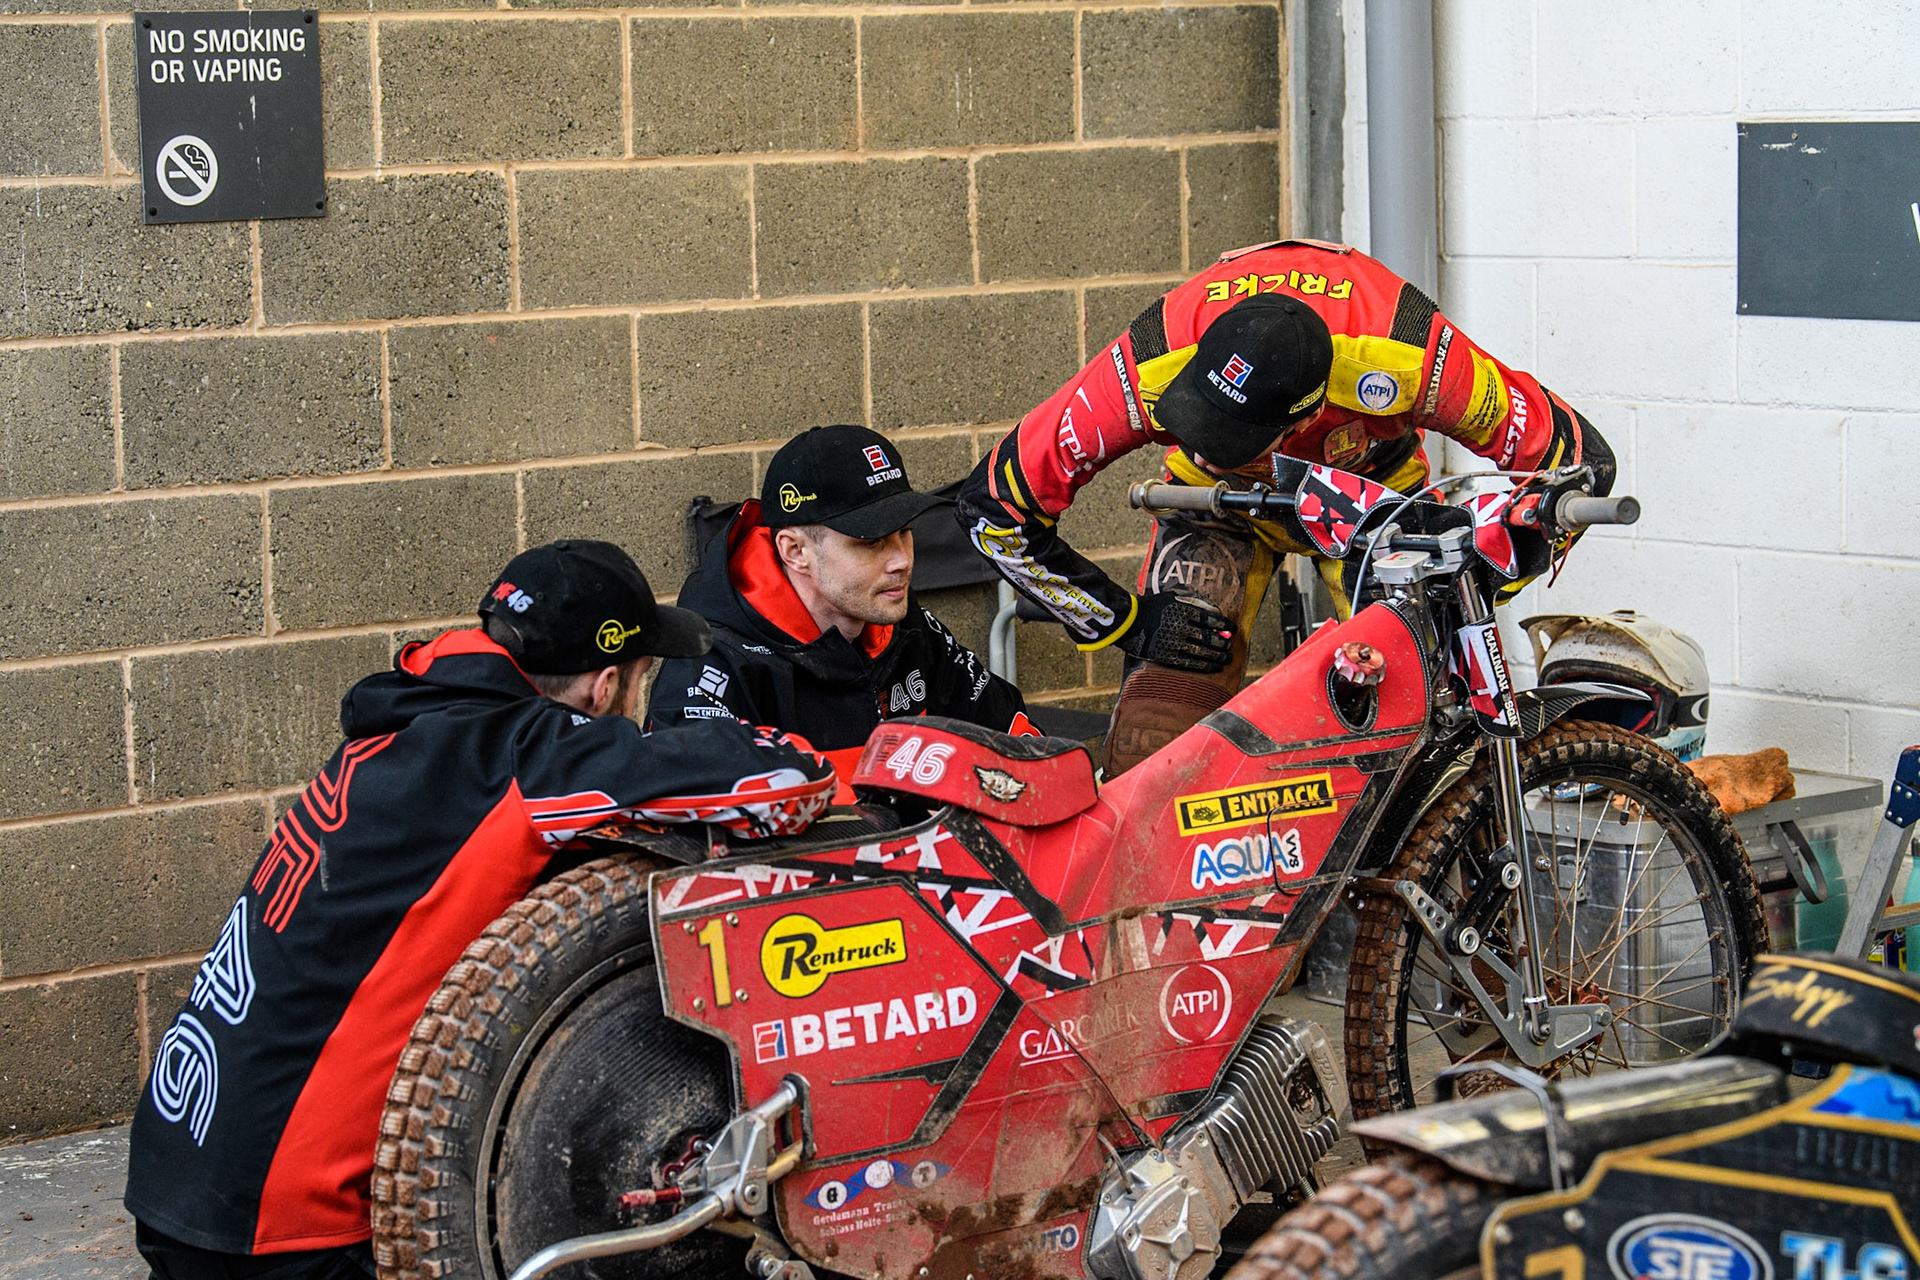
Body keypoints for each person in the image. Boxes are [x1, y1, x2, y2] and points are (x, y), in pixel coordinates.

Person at [124, 540, 835, 1280]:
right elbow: (786, 777)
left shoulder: (404, 724)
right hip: (285, 1234)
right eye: (639, 684)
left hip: (176, 1181)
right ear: (603, 687)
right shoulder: (521, 757)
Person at [956, 238, 1615, 776]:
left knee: (1423, 743)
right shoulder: (1152, 360)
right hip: (1213, 502)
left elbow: (1582, 462)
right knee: (1156, 734)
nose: (1214, 437)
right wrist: (1121, 619)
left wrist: (1475, 577)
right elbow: (991, 506)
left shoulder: (1405, 354)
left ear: (1313, 409)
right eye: (1199, 419)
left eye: (1233, 435)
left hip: (1372, 507)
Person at [652, 424, 1035, 794]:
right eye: (872, 542)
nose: (901, 560)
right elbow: (695, 814)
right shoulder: (713, 662)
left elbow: (1010, 729)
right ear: (795, 551)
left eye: (905, 533)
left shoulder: (900, 622)